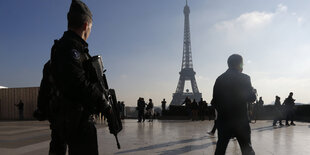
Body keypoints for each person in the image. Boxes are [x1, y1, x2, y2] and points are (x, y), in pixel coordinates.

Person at [48, 1, 111, 154]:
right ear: (85, 26)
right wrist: (103, 102)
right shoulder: (72, 49)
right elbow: (78, 83)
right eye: (90, 27)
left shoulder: (62, 48)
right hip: (77, 120)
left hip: (62, 119)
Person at [212, 54, 256, 155]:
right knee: (247, 149)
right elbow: (251, 98)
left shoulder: (219, 79)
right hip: (241, 121)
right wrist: (252, 91)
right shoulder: (245, 78)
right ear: (239, 64)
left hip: (223, 121)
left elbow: (214, 101)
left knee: (220, 149)